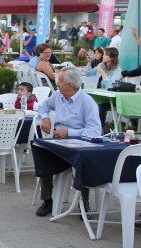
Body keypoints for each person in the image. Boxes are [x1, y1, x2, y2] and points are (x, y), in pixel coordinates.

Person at [33, 67, 103, 217]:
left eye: (60, 80)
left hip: (79, 144)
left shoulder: (87, 102)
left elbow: (95, 131)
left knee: (83, 161)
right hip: (59, 142)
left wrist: (70, 132)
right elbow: (43, 106)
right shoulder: (57, 95)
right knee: (42, 152)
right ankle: (47, 200)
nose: (57, 84)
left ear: (70, 85)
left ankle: (84, 203)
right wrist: (45, 118)